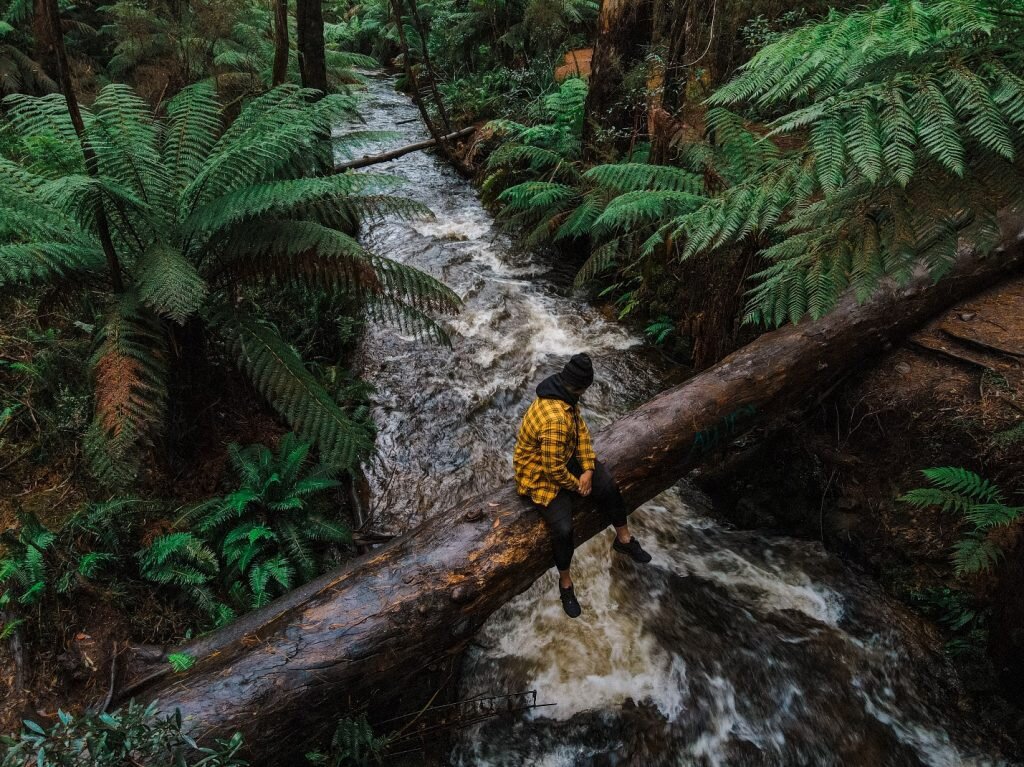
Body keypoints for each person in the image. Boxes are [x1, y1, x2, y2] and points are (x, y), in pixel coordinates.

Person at [513, 352, 651, 618]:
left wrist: (588, 468)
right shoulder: (554, 418)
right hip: (540, 474)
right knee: (564, 529)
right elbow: (553, 470)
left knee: (608, 485)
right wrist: (579, 485)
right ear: (582, 387)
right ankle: (565, 582)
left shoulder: (566, 397)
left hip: (563, 456)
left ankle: (624, 538)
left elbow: (582, 435)